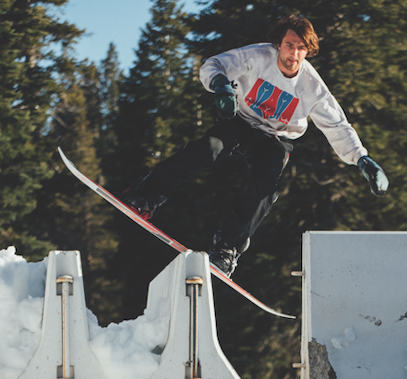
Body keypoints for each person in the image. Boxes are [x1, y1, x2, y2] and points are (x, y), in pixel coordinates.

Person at [123, 15, 389, 277]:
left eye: (300, 48)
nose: (293, 54)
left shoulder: (313, 88)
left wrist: (362, 159)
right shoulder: (257, 56)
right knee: (208, 147)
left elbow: (337, 126)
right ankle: (147, 196)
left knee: (265, 188)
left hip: (275, 138)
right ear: (278, 44)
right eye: (289, 45)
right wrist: (220, 85)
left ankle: (227, 248)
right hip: (241, 121)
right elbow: (214, 65)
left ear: (308, 52)